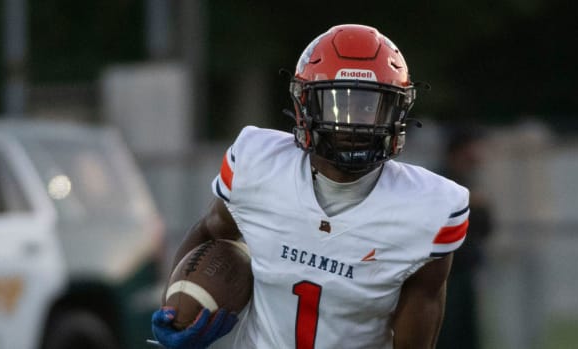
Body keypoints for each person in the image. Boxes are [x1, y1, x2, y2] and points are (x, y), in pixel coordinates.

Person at [151, 24, 470, 349]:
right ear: (304, 104)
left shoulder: (427, 209)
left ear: (397, 111)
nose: (351, 123)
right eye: (336, 103)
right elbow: (210, 231)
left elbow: (420, 315)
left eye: (367, 106)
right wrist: (176, 309)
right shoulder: (258, 165)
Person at [436, 126, 493, 349]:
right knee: (447, 332)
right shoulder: (441, 183)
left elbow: (486, 228)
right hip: (445, 273)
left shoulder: (472, 183)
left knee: (467, 334)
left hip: (466, 271)